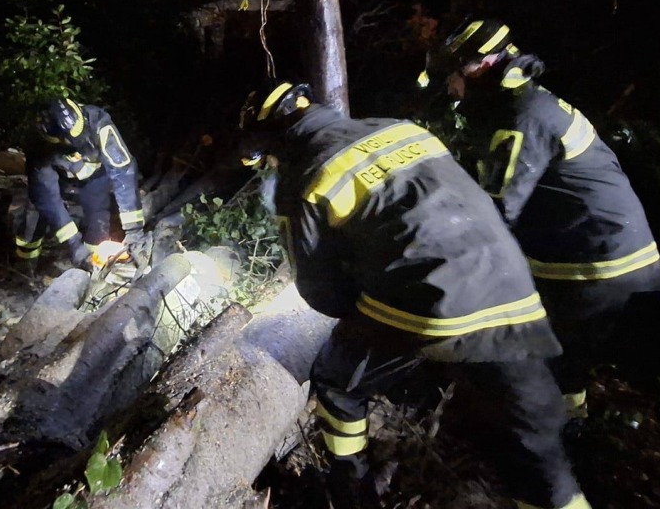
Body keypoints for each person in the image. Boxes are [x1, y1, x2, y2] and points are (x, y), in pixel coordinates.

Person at [238, 81, 590, 509]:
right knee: (534, 451)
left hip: (435, 303)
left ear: (274, 140)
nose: (271, 165)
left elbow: (320, 291)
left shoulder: (303, 175)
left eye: (268, 157)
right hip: (510, 280)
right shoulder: (401, 129)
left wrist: (365, 309)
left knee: (338, 378)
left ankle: (352, 491)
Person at [427, 17, 660, 423]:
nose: (449, 85)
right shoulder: (524, 103)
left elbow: (498, 211)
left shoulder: (521, 116)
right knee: (554, 354)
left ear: (481, 66)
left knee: (550, 359)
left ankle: (564, 442)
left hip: (598, 261)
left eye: (452, 74)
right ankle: (565, 429)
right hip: (595, 250)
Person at [14, 96, 147, 272]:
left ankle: (93, 271)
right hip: (58, 175)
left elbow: (123, 171)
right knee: (35, 214)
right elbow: (48, 198)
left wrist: (134, 230)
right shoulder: (38, 145)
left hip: (94, 176)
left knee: (98, 219)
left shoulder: (99, 123)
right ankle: (25, 268)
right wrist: (74, 245)